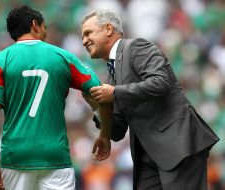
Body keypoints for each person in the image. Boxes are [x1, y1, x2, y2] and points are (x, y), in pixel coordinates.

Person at [81, 10, 219, 190]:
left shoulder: (136, 47)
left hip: (177, 145)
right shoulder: (111, 76)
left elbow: (161, 83)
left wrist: (115, 92)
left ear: (108, 29)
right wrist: (95, 105)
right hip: (147, 157)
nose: (84, 41)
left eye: (88, 33)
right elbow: (118, 131)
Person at [0, 6, 113, 190]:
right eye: (44, 26)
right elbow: (102, 94)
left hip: (15, 157)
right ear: (35, 25)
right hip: (55, 156)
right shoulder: (63, 56)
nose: (46, 31)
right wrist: (104, 135)